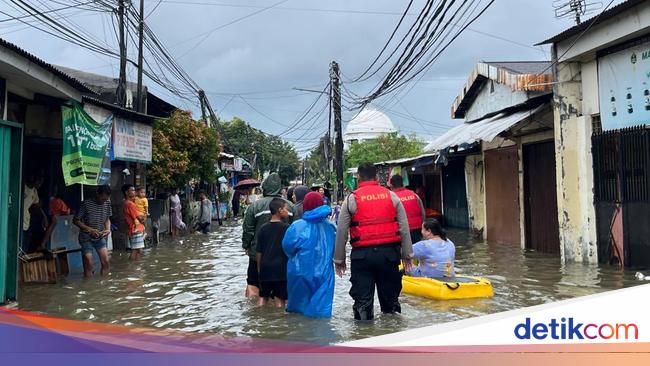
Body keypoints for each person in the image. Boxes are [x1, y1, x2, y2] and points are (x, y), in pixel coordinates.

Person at [334, 162, 413, 321]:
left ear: (358, 178)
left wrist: (339, 260)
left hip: (362, 257)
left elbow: (342, 232)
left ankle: (364, 338)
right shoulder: (392, 196)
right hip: (389, 255)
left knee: (362, 303)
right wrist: (407, 255)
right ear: (377, 177)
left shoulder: (351, 199)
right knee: (391, 304)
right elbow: (404, 228)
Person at [242, 173, 296, 298]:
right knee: (281, 292)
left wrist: (246, 246)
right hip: (283, 257)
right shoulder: (290, 207)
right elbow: (297, 232)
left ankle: (257, 313)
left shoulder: (254, 207)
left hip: (258, 255)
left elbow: (248, 230)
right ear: (280, 188)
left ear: (265, 187)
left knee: (253, 284)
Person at [282, 192, 336, 318]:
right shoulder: (331, 227)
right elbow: (337, 248)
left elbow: (287, 247)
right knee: (321, 314)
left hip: (299, 272)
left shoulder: (297, 226)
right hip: (324, 274)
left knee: (297, 313)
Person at [255, 198, 290, 307]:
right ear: (280, 210)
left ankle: (259, 319)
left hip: (265, 268)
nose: (287, 211)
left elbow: (259, 251)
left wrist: (259, 269)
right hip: (280, 269)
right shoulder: (287, 228)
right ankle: (277, 322)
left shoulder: (263, 228)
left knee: (262, 297)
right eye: (286, 209)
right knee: (279, 299)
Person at [73, 185, 112, 277]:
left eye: (106, 199)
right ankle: (88, 286)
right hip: (86, 237)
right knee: (89, 262)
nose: (104, 201)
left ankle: (104, 285)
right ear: (97, 194)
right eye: (102, 198)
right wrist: (90, 230)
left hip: (100, 236)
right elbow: (75, 220)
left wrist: (108, 229)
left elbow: (107, 219)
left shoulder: (107, 203)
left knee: (105, 261)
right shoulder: (86, 204)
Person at [389, 175, 426, 244]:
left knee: (406, 252)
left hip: (402, 231)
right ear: (403, 183)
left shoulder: (391, 197)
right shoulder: (414, 195)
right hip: (417, 228)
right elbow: (423, 213)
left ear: (391, 185)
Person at [23, 175, 48, 252]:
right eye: (39, 182)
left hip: (26, 222)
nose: (40, 185)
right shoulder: (23, 187)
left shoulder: (34, 191)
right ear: (33, 179)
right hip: (19, 221)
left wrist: (44, 217)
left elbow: (37, 206)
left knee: (24, 248)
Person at [122, 184, 146, 260]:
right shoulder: (130, 204)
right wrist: (145, 215)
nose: (134, 192)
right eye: (132, 190)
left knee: (137, 250)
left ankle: (134, 267)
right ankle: (134, 267)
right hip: (135, 229)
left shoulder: (126, 203)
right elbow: (140, 218)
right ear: (126, 192)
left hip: (133, 229)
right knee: (137, 251)